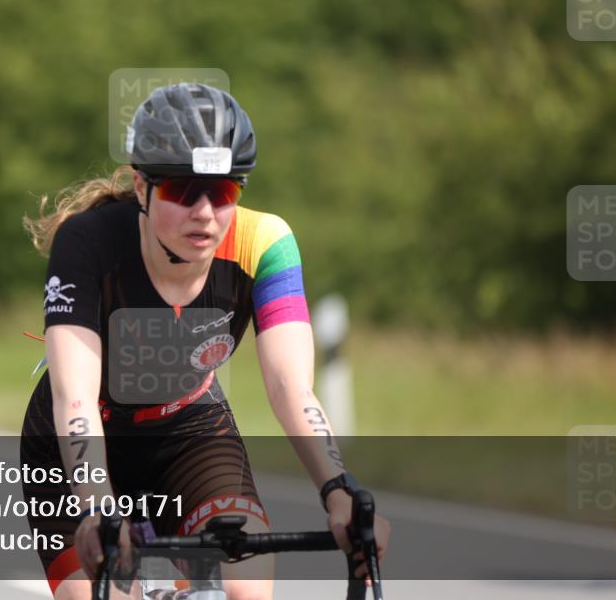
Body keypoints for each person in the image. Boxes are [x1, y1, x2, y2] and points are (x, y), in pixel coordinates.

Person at [21, 83, 389, 600]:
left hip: (189, 425)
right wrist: (98, 508)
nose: (204, 212)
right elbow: (74, 396)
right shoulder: (88, 242)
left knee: (246, 590)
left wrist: (338, 489)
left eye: (223, 192)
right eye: (181, 191)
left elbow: (291, 390)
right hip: (80, 440)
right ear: (141, 186)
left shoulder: (265, 244)